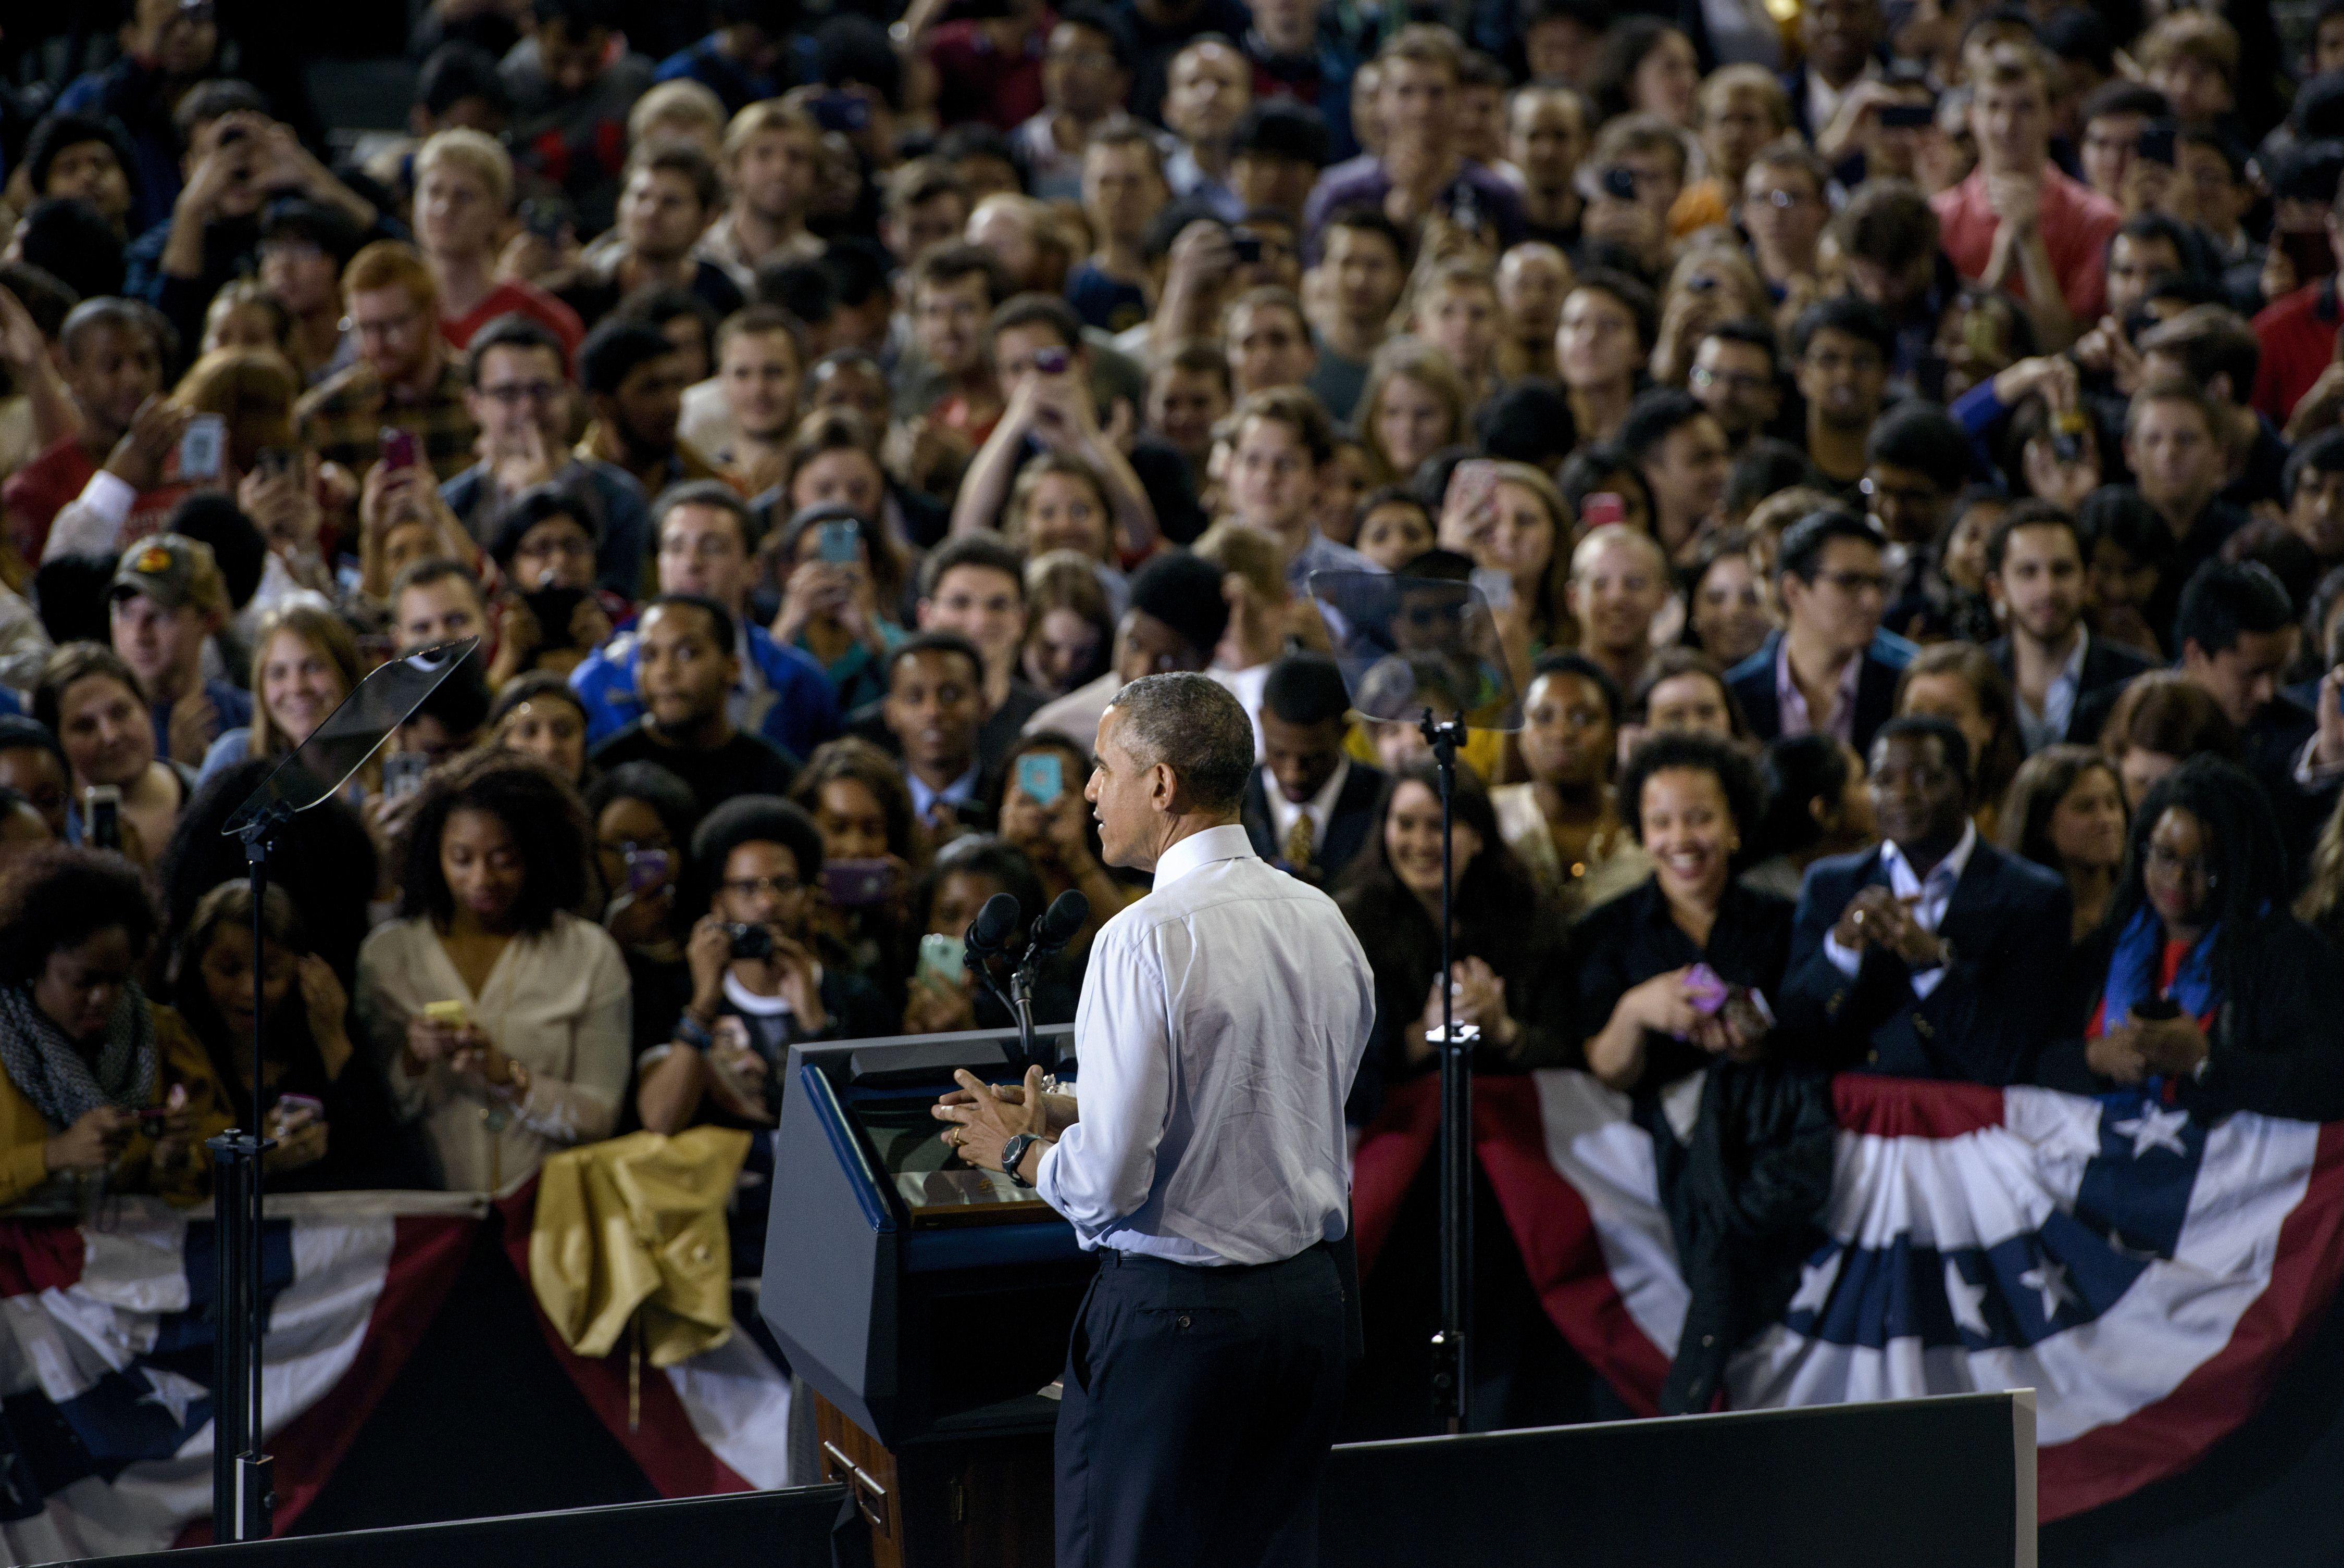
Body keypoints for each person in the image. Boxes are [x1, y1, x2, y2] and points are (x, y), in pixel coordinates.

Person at [932, 672, 1370, 1567]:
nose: (1090, 792)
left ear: (1161, 783)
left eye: (1102, 768)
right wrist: (1068, 1105)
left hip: (1181, 1329)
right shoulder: (1321, 917)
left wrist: (1015, 1147)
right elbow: (1273, 1095)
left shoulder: (1144, 934)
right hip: (1312, 1311)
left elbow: (1106, 1184)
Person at [357, 753, 631, 1191]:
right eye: (461, 859)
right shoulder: (390, 956)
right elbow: (373, 1114)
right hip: (434, 1224)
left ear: (538, 856)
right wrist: (413, 1058)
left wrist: (511, 1077)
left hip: (552, 1219)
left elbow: (599, 1115)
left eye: (504, 859)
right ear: (433, 855)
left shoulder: (588, 954)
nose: (481, 879)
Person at [1777, 716, 2075, 1086]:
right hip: (1857, 1120)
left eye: (1924, 778)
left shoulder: (2034, 896)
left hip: (1976, 1124)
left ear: (1967, 789)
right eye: (1884, 780)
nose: (1901, 795)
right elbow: (1793, 1034)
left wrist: (1933, 963)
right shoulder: (1830, 885)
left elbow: (2017, 1057)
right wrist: (1841, 951)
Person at [2063, 757, 2344, 1120]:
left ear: (2238, 867)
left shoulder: (2290, 955)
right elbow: (2035, 1060)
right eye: (2165, 856)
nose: (2178, 878)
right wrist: (2096, 1057)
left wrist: (2205, 1060)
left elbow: (2326, 1086)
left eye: (2203, 865)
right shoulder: (2111, 941)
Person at [638, 795, 893, 1134]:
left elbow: (876, 1129)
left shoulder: (857, 998)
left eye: (784, 885)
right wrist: (703, 1005)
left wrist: (816, 1022)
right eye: (747, 887)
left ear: (807, 898)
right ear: (719, 903)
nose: (767, 903)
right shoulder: (679, 995)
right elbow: (661, 1121)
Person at [0, 846, 222, 1212]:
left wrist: (172, 1161)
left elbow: (202, 1177)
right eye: (82, 981)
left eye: (117, 980)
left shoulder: (160, 1035)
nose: (101, 998)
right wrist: (54, 1154)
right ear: (34, 963)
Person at [1577, 731, 1790, 1094]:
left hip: (1773, 1130)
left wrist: (1757, 1042)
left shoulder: (1786, 921)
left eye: (1699, 818)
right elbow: (1607, 1069)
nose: (1680, 839)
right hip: (1647, 1143)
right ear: (1641, 832)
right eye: (1661, 822)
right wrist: (1635, 1010)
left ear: (1734, 826)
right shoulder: (1602, 930)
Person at [169, 881, 416, 1190]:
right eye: (230, 971)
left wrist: (332, 1036)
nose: (250, 990)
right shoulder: (173, 1046)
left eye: (269, 974)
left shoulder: (320, 1038)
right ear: (198, 967)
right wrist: (262, 1161)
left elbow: (385, 1161)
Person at [569, 481, 839, 763]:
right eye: (675, 547)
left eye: (713, 548)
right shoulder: (597, 682)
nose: (692, 563)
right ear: (658, 564)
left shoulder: (802, 684)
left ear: (754, 570)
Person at [438, 313, 650, 598]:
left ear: (567, 395)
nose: (527, 408)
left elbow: (617, 611)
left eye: (542, 390)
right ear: (474, 405)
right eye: (507, 393)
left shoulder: (620, 497)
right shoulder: (450, 507)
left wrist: (545, 500)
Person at [1932, 42, 2121, 349]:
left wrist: (2031, 244)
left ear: (2054, 115)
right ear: (1971, 116)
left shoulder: (2098, 220)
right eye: (1993, 106)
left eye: (2025, 107)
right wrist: (1996, 273)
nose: (2006, 126)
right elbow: (1944, 348)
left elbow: (2067, 346)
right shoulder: (1939, 218)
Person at [590, 595, 802, 809]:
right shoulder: (602, 773)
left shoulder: (778, 780)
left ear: (732, 668)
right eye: (649, 656)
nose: (665, 671)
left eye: (686, 653)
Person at [1729, 508, 1915, 752]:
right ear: (1793, 590)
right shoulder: (1736, 696)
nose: (1872, 601)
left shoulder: (1906, 689)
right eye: (1849, 582)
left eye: (1878, 584)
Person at [295, 242, 479, 482]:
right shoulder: (325, 415)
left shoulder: (482, 395)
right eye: (364, 328)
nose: (378, 343)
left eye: (394, 325)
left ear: (433, 314)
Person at [1984, 504, 2156, 751]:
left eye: (2062, 570)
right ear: (1997, 590)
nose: (2047, 589)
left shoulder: (2140, 683)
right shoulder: (1974, 681)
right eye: (2028, 572)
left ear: (2088, 581)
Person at [1027, 548, 1231, 746]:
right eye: (1134, 645)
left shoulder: (1229, 731)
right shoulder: (1057, 731)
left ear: (1205, 661)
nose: (1142, 672)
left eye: (1166, 661)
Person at [1492, 652, 1646, 915]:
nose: (1562, 734)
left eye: (1582, 719)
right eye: (1543, 717)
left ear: (1613, 737)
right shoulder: (1491, 815)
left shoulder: (1646, 823)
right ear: (1520, 736)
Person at [32, 643, 191, 864]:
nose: (110, 736)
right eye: (84, 726)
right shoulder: (48, 831)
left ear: (146, 708)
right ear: (56, 741)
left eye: (120, 713)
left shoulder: (206, 792)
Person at [1239, 651, 1385, 887]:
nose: (1293, 774)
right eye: (1279, 753)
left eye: (1312, 758)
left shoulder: (1384, 801)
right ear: (1261, 719)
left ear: (1345, 730)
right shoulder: (1230, 798)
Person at [107, 533, 251, 768]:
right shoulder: (102, 731)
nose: (139, 635)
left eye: (160, 615)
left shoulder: (245, 718)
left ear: (209, 620)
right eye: (126, 614)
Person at [197, 604, 361, 786]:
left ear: (345, 674)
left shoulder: (388, 763)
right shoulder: (234, 757)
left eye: (313, 667)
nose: (297, 687)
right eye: (278, 673)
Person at [1999, 744, 2129, 966]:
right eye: (2085, 807)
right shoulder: (2015, 916)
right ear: (2043, 823)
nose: (2106, 820)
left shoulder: (2141, 907)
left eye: (2112, 803)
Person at [1894, 641, 2025, 839]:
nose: (1929, 732)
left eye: (1947, 718)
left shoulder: (2020, 823)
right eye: (1916, 716)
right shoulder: (1872, 816)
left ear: (1989, 725)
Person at [881, 633, 995, 836]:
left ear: (983, 707)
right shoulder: (874, 806)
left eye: (951, 695)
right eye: (915, 698)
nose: (933, 712)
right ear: (891, 714)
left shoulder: (1004, 804)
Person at [1742, 734, 1875, 900]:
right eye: (1861, 781)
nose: (1875, 790)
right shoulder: (1760, 896)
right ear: (1823, 811)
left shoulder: (1878, 867)